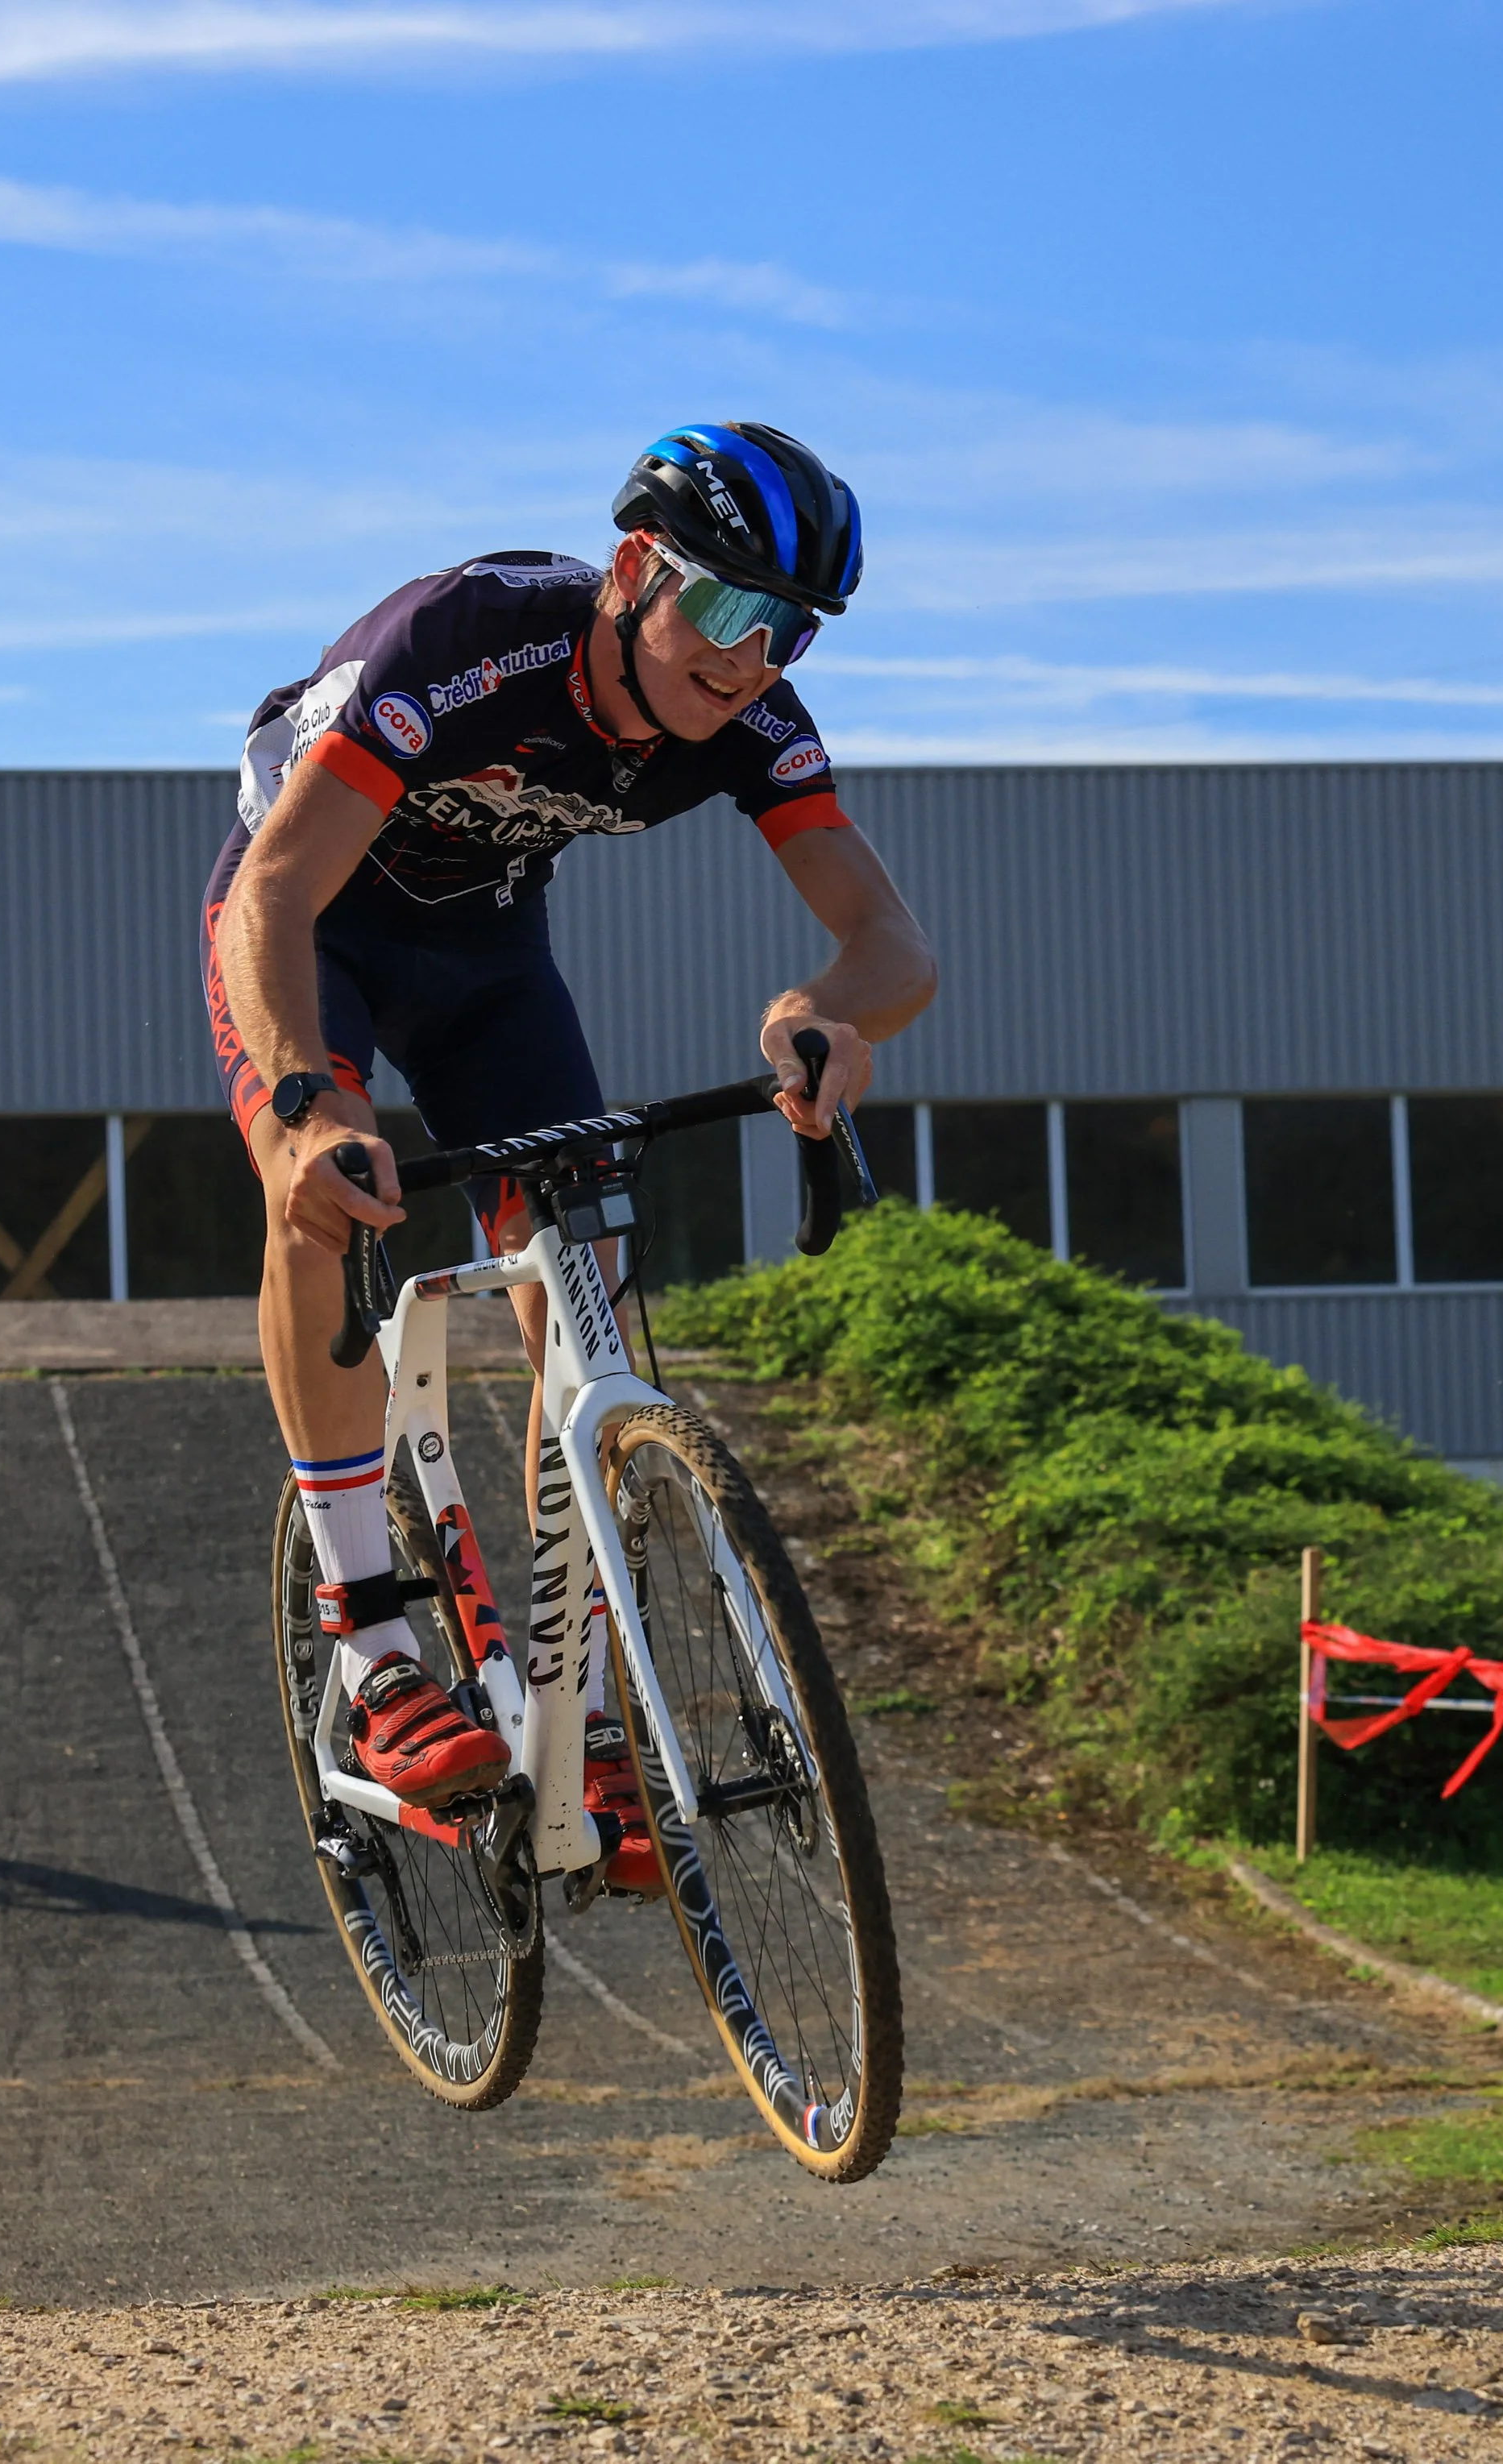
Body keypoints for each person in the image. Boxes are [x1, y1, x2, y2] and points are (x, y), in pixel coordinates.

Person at [205, 421, 936, 1889]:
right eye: (727, 604)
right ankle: (371, 1635)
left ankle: (575, 1698)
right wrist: (308, 1107)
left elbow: (892, 945)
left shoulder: (746, 711)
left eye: (791, 628)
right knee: (325, 1199)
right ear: (635, 568)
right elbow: (274, 894)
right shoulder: (470, 643)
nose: (750, 656)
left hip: (487, 959)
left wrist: (825, 1015)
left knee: (581, 1257)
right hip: (311, 923)